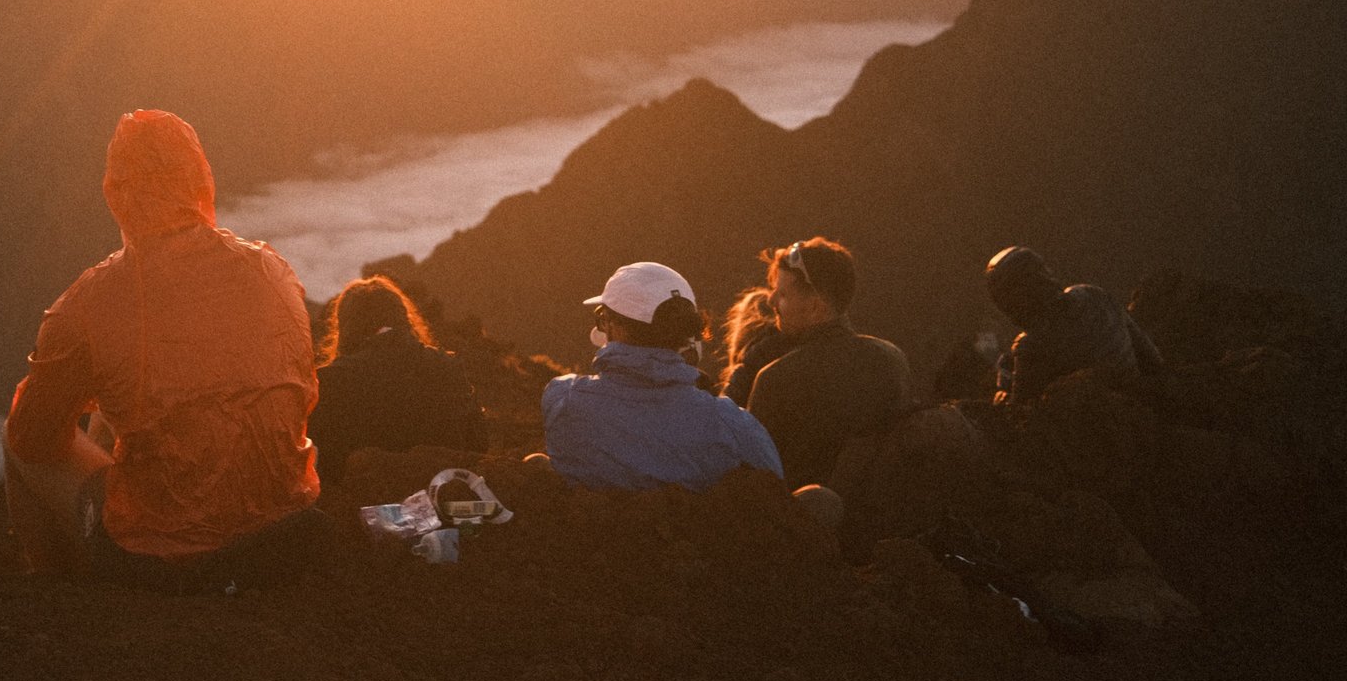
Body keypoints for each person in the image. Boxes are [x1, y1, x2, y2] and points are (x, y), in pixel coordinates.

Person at [2, 110, 325, 592]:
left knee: (18, 437)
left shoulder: (88, 304)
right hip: (284, 530)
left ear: (114, 192)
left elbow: (35, 439)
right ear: (200, 179)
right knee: (122, 408)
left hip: (163, 558)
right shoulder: (271, 271)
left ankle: (62, 598)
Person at [542, 262, 782, 490]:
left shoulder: (563, 399)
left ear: (613, 326)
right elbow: (775, 493)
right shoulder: (733, 426)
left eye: (602, 318)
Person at [735, 238, 911, 489]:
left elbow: (752, 478)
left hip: (803, 522)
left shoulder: (775, 379)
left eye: (782, 294)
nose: (771, 301)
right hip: (881, 518)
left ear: (816, 307)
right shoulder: (891, 359)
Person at [309, 276, 487, 484]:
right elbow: (479, 443)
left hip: (366, 505)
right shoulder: (449, 366)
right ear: (403, 317)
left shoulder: (330, 381)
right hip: (441, 498)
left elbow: (322, 464)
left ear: (346, 326)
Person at [986, 246, 1164, 404]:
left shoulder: (1031, 345)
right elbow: (1150, 357)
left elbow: (1019, 414)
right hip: (1146, 402)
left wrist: (1001, 400)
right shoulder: (1093, 293)